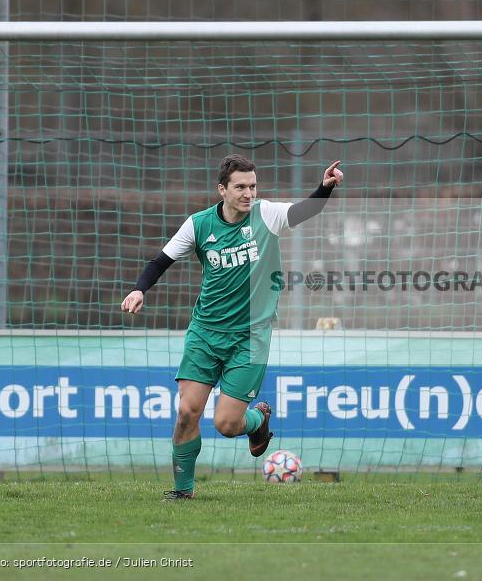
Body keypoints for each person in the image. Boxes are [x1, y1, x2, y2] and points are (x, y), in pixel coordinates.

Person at [121, 154, 343, 499]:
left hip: (250, 338)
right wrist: (139, 289)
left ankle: (258, 421)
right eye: (240, 187)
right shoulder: (199, 225)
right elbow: (160, 261)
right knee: (186, 413)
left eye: (252, 186)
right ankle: (182, 492)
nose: (248, 193)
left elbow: (303, 211)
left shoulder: (266, 215)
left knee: (226, 425)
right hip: (205, 332)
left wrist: (324, 188)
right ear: (222, 189)